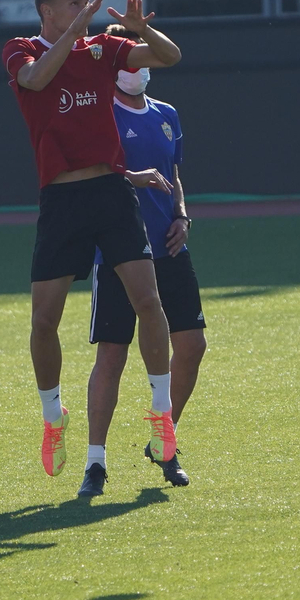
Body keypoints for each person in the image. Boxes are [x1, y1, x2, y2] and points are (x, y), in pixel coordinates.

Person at [2, 0, 183, 479]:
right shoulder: (20, 49)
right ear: (47, 13)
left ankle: (161, 414)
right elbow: (35, 80)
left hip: (111, 192)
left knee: (149, 301)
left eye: (85, 1)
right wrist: (77, 29)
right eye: (73, 3)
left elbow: (169, 58)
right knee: (44, 321)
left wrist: (139, 31)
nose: (85, 8)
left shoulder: (103, 48)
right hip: (62, 199)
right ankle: (52, 415)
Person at [78, 41, 206, 497]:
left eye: (140, 59)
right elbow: (91, 172)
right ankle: (95, 462)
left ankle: (163, 441)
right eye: (128, 60)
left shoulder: (166, 113)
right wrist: (133, 178)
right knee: (112, 354)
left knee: (191, 345)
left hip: (168, 250)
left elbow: (175, 174)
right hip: (119, 251)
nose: (136, 68)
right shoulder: (100, 113)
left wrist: (182, 216)